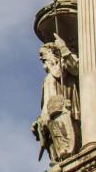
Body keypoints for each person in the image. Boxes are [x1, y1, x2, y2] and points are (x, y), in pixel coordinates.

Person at [33, 35, 80, 163]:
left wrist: (63, 49)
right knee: (57, 152)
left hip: (63, 111)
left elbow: (76, 68)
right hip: (49, 120)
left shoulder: (63, 64)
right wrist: (39, 121)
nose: (42, 60)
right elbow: (45, 104)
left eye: (44, 56)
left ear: (52, 53)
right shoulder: (48, 78)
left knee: (67, 145)